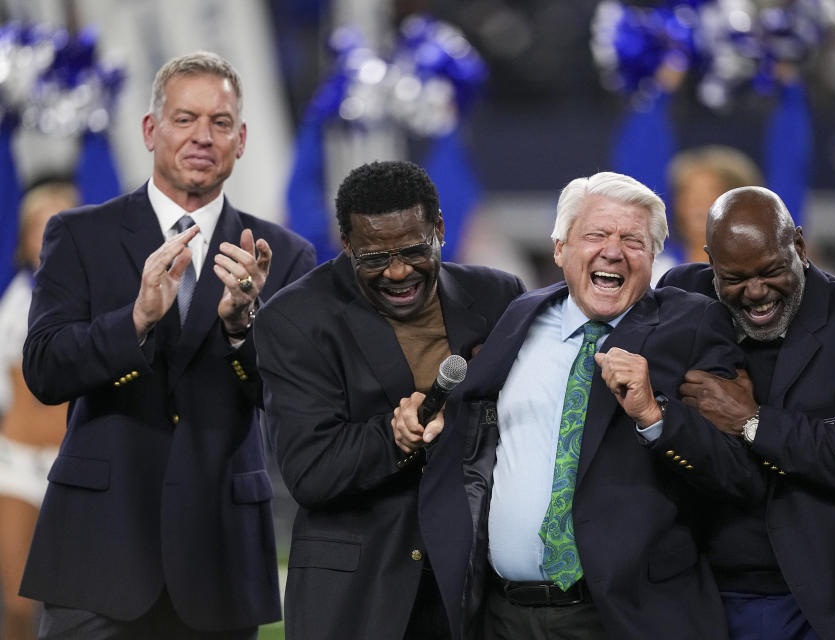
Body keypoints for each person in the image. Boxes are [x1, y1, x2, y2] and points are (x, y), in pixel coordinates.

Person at [20, 51, 316, 639]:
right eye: (185, 119)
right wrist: (134, 321)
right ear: (152, 130)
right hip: (97, 554)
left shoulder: (282, 256)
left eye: (220, 122)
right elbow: (46, 369)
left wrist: (241, 329)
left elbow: (294, 399)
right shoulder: (79, 235)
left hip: (219, 558)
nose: (203, 136)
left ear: (242, 140)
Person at [412, 171, 753, 639]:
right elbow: (475, 420)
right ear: (560, 248)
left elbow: (739, 473)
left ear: (652, 257)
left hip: (626, 618)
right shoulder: (520, 317)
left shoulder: (692, 324)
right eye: (596, 234)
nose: (613, 250)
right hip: (504, 614)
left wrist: (654, 416)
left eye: (633, 240)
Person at [254, 159, 525, 640]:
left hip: (476, 591)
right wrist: (395, 438)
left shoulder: (497, 297)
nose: (398, 271)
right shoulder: (295, 319)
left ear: (439, 228)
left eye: (414, 249)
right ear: (346, 246)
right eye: (373, 258)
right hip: (360, 600)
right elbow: (310, 473)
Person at [657, 186, 835, 639]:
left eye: (771, 271)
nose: (756, 293)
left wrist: (752, 422)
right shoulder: (683, 295)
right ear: (710, 262)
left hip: (834, 600)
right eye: (735, 278)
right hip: (705, 595)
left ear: (799, 246)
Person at [0, 180, 76, 640]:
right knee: (18, 603)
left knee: (78, 602)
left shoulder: (94, 299)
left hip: (74, 465)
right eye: (38, 229)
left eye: (57, 228)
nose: (46, 239)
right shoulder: (10, 301)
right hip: (16, 464)